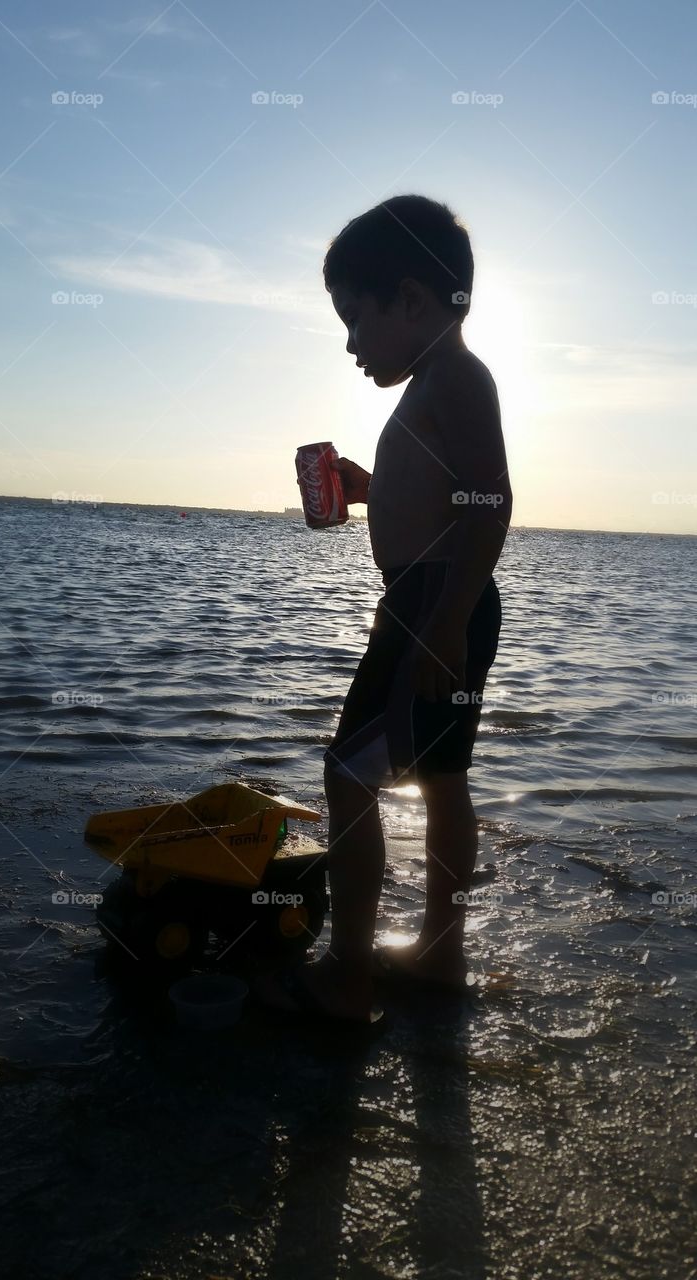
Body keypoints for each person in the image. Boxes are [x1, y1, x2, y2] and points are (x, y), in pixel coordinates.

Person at [256, 194, 512, 1024]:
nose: (349, 341)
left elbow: (489, 500)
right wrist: (372, 492)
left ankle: (348, 974)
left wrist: (439, 623)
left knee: (346, 774)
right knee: (442, 778)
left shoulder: (458, 378)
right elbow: (448, 494)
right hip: (441, 599)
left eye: (354, 317)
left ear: (408, 299)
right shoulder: (438, 383)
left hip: (436, 601)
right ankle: (439, 954)